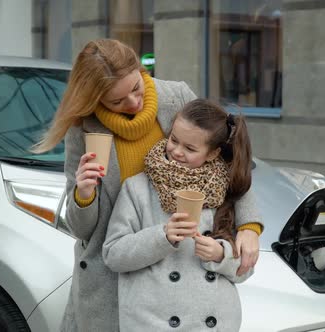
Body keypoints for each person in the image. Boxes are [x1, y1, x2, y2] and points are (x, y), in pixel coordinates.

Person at [32, 39, 263, 332]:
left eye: (136, 87)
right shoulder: (83, 128)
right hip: (112, 277)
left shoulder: (176, 97)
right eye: (117, 101)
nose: (132, 103)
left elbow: (231, 161)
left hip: (184, 270)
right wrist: (84, 194)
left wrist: (249, 226)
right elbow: (84, 232)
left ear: (140, 70)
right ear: (94, 98)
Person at [103, 99, 255, 331]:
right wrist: (161, 237)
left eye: (190, 148)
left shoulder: (226, 191)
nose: (176, 151)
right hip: (151, 322)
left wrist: (220, 255)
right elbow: (113, 255)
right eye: (174, 140)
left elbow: (246, 269)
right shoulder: (138, 188)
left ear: (213, 153)